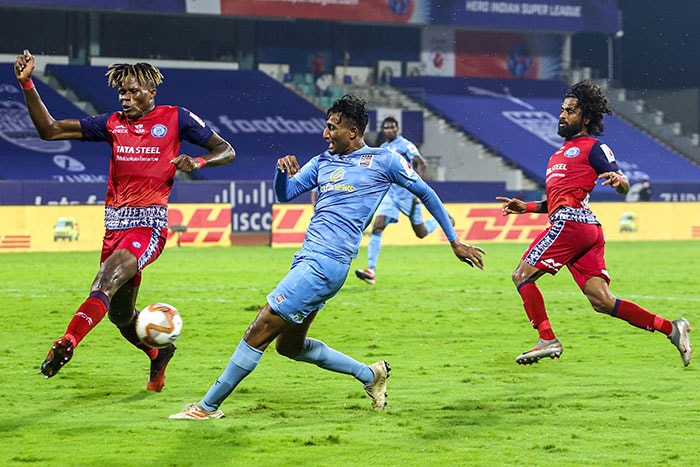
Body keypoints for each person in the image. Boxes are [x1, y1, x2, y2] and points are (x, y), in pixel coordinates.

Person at [169, 94, 485, 419]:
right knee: (289, 346)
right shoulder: (323, 162)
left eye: (332, 127)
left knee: (260, 326)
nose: (325, 133)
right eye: (326, 126)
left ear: (352, 132)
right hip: (308, 260)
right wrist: (281, 172)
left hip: (326, 264)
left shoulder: (383, 161)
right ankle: (370, 375)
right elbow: (285, 194)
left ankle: (207, 407)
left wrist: (454, 241)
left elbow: (426, 193)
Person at [14, 49, 236, 391]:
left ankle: (68, 342)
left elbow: (226, 149)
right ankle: (158, 354)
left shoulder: (177, 118)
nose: (126, 97)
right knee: (120, 315)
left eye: (133, 91)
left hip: (148, 226)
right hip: (114, 229)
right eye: (122, 92)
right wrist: (28, 83)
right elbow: (51, 130)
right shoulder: (112, 123)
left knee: (103, 280)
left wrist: (199, 163)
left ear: (151, 92)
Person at [496, 80, 691, 367]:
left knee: (521, 276)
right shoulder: (556, 155)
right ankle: (672, 328)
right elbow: (556, 201)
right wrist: (525, 207)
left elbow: (622, 182)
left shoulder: (594, 147)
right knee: (602, 301)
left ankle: (547, 338)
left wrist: (619, 182)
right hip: (584, 229)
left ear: (586, 117)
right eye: (562, 110)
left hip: (572, 225)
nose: (563, 115)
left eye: (571, 111)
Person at [355, 116, 450, 285]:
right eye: (386, 128)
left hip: (408, 194)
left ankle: (440, 220)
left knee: (420, 233)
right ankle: (371, 270)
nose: (389, 130)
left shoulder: (406, 145)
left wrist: (417, 188)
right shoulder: (383, 148)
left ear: (397, 129)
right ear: (383, 130)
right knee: (377, 226)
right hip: (391, 195)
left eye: (392, 127)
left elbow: (421, 163)